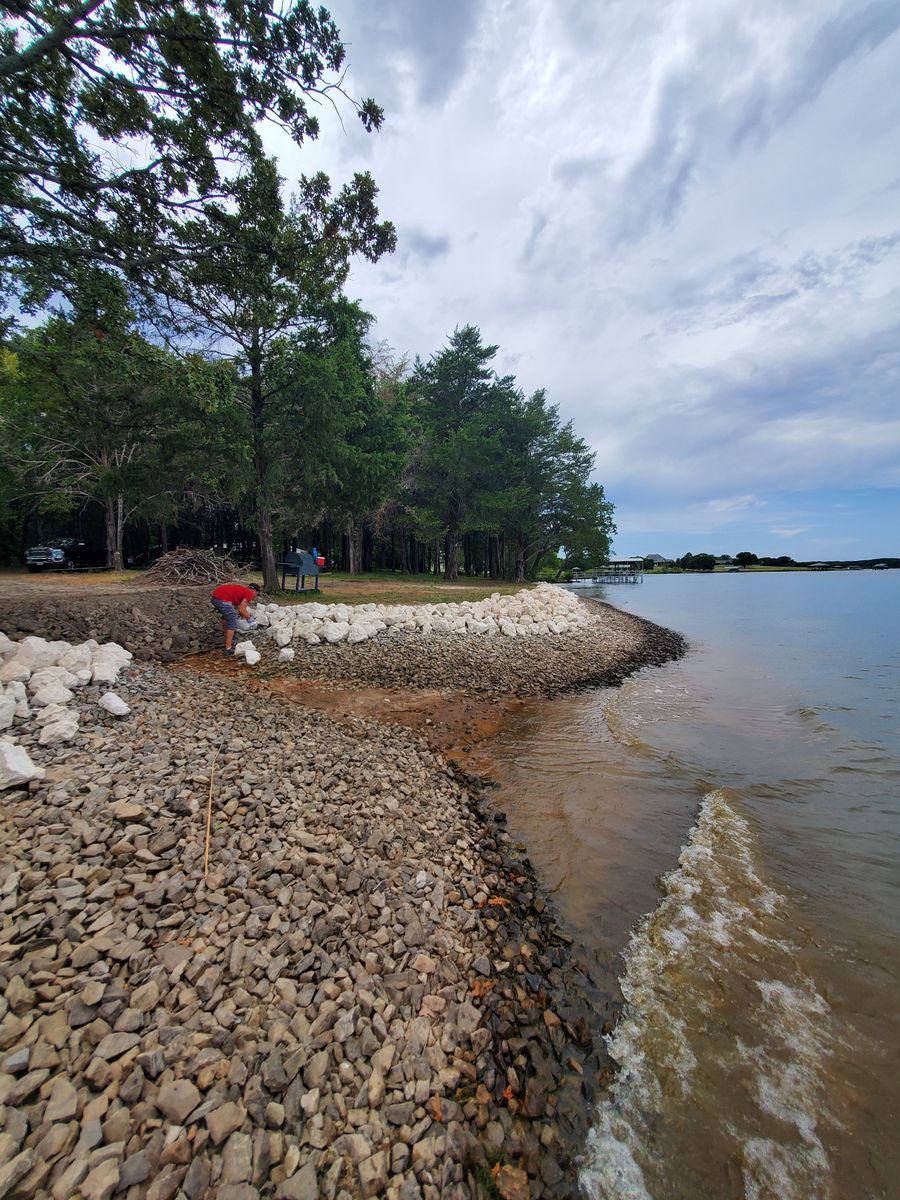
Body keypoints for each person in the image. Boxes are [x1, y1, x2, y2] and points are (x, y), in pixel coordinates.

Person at [211, 581, 260, 656]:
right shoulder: (249, 593)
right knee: (232, 620)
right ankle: (228, 649)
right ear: (255, 591)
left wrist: (245, 616)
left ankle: (227, 640)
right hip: (222, 599)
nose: (255, 597)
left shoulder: (242, 590)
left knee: (226, 617)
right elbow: (242, 609)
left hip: (215, 597)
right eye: (256, 594)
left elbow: (239, 609)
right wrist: (251, 621)